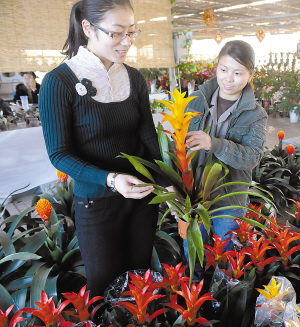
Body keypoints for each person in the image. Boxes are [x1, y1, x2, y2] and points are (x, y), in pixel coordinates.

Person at [38, 0, 167, 297]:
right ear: (87, 28)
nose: (127, 42)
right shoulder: (59, 82)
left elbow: (148, 138)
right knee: (104, 288)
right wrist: (110, 179)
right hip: (96, 202)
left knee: (140, 284)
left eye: (132, 33)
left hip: (142, 197)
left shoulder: (133, 78)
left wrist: (173, 185)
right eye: (117, 33)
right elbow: (59, 153)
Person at [185, 40, 267, 254]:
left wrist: (214, 144)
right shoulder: (195, 101)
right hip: (193, 195)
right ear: (216, 68)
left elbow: (252, 157)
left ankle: (224, 288)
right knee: (193, 253)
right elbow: (179, 145)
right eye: (224, 69)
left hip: (229, 199)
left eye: (238, 73)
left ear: (251, 75)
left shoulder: (256, 114)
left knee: (226, 257)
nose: (229, 78)